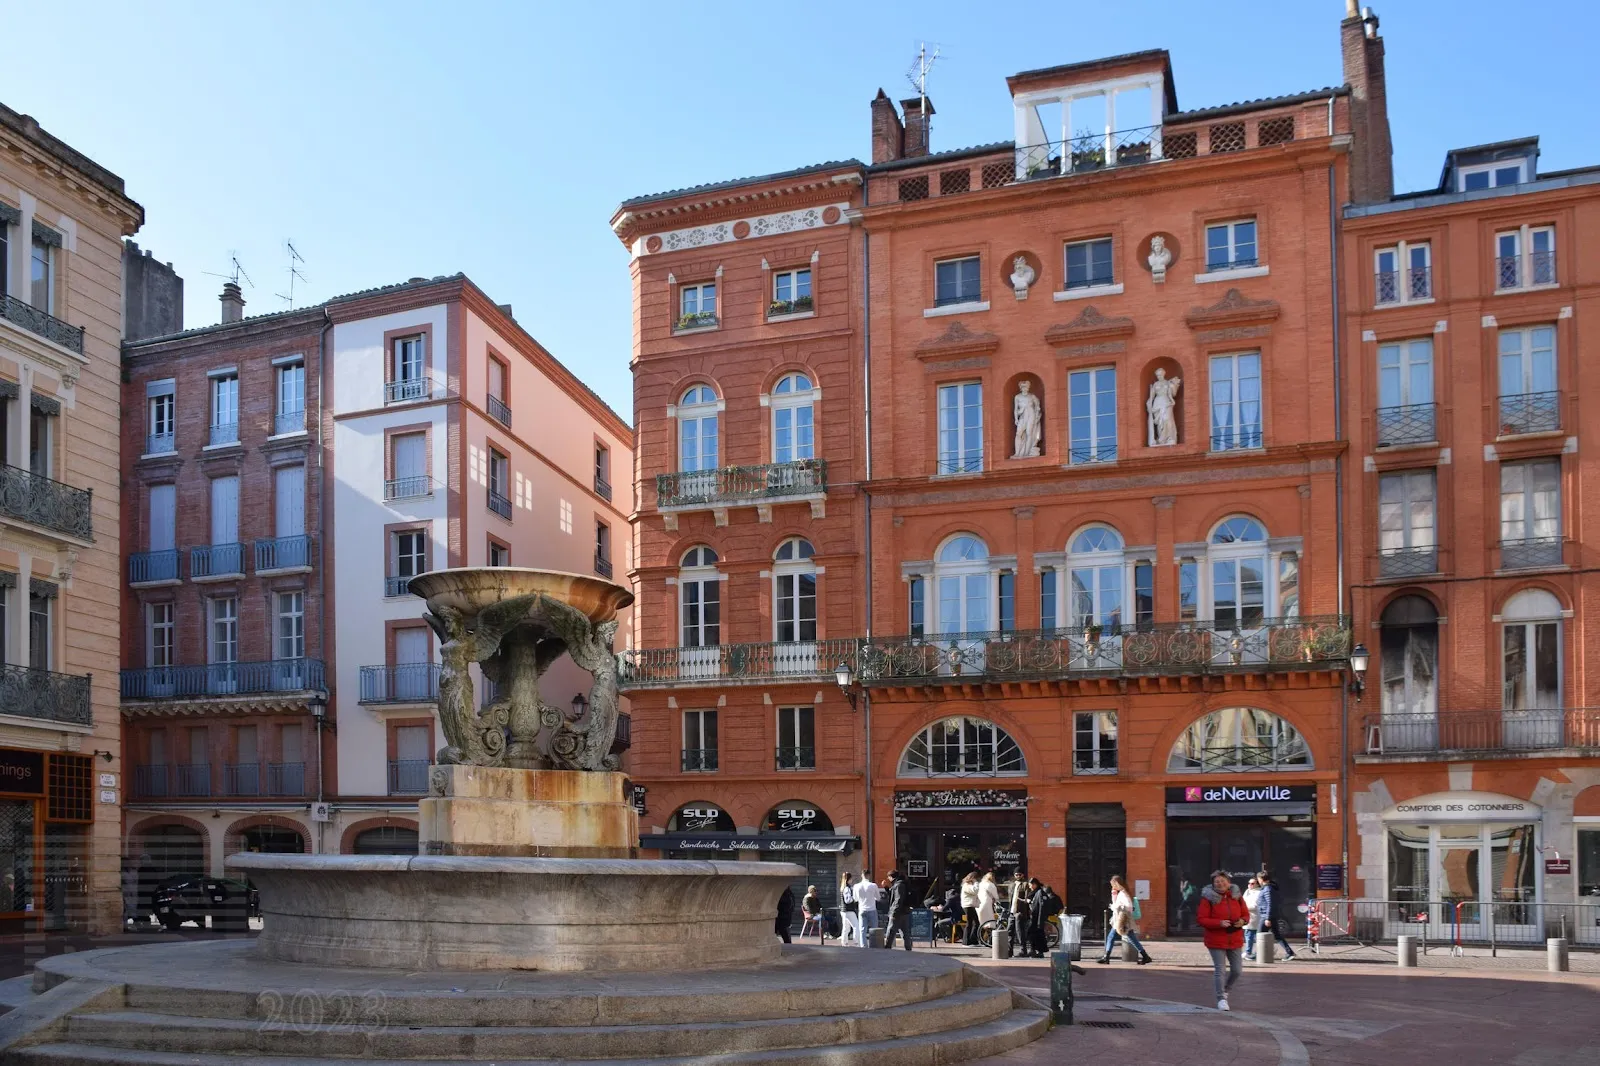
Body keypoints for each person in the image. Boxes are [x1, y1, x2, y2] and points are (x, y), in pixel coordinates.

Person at [1196, 870, 1249, 1011]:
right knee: (1220, 969)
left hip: (1235, 937)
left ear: (1229, 883)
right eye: (1217, 882)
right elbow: (1202, 919)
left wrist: (1243, 921)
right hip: (1216, 939)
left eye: (1223, 881)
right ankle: (1221, 999)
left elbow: (1245, 913)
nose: (1220, 884)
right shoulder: (1207, 899)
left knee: (1237, 970)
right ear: (1213, 884)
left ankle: (1225, 990)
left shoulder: (1237, 897)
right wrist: (1218, 923)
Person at [1095, 875, 1152, 965]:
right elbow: (1118, 903)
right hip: (1121, 919)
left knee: (1113, 937)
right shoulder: (1122, 892)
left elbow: (1129, 906)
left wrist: (1116, 906)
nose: (1112, 886)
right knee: (1127, 938)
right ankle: (1145, 956)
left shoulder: (1123, 893)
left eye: (1113, 884)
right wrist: (1113, 895)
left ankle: (1106, 957)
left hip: (1122, 919)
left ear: (1117, 884)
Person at [1255, 869, 1299, 961]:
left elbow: (1270, 903)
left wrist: (1268, 918)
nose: (1258, 881)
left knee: (1260, 935)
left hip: (1266, 916)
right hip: (1270, 915)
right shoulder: (1269, 888)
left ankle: (1260, 953)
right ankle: (1289, 952)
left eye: (1258, 878)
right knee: (1277, 935)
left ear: (1261, 879)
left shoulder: (1268, 889)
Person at [1028, 878, 1062, 958]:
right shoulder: (1036, 892)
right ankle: (1033, 950)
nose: (1030, 887)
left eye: (1030, 885)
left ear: (1035, 884)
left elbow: (1042, 907)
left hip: (1038, 917)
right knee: (1033, 934)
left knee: (1038, 935)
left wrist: (1040, 919)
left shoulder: (1040, 893)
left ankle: (1039, 952)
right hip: (1035, 917)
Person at [882, 870, 914, 951]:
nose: (888, 879)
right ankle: (908, 949)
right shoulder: (901, 883)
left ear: (891, 877)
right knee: (905, 932)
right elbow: (893, 895)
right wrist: (886, 888)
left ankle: (887, 947)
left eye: (888, 877)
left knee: (891, 930)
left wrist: (894, 913)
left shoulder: (898, 885)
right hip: (905, 911)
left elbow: (898, 900)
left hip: (898, 912)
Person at [1008, 871, 1033, 956]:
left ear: (1023, 875)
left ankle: (1023, 950)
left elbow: (1027, 898)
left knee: (1020, 932)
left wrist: (1024, 911)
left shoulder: (1025, 884)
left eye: (1019, 874)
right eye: (1016, 874)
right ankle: (1009, 951)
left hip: (1020, 911)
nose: (1018, 876)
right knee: (1009, 931)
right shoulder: (1012, 885)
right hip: (1012, 911)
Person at [854, 870, 881, 947]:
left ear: (862, 875)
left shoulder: (856, 886)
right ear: (869, 875)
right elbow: (878, 898)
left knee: (862, 930)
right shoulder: (873, 885)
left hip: (862, 909)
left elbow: (855, 899)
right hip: (872, 909)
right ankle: (874, 945)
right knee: (874, 929)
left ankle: (863, 946)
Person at [1241, 876, 1263, 960]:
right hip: (1247, 917)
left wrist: (1244, 908)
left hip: (1254, 917)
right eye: (1249, 883)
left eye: (1252, 883)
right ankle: (1249, 952)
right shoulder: (1247, 891)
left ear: (1257, 884)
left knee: (1250, 935)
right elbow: (1242, 901)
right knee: (1249, 934)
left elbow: (1255, 905)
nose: (1250, 885)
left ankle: (1249, 952)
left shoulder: (1258, 893)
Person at [976, 872, 1000, 941]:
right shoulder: (991, 885)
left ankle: (980, 939)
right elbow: (996, 896)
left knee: (981, 923)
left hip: (978, 905)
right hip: (986, 905)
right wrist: (997, 901)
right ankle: (989, 940)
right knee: (990, 922)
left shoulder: (980, 884)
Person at [959, 871, 982, 945]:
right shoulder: (966, 885)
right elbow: (975, 891)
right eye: (976, 879)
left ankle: (972, 940)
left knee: (974, 923)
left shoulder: (968, 885)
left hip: (970, 905)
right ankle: (967, 941)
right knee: (971, 923)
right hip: (968, 905)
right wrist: (976, 882)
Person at [839, 872, 860, 946]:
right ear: (849, 879)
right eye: (851, 879)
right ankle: (856, 941)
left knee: (846, 928)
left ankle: (844, 942)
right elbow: (848, 900)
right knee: (856, 926)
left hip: (843, 910)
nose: (852, 880)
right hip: (849, 910)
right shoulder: (847, 888)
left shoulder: (842, 888)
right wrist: (855, 898)